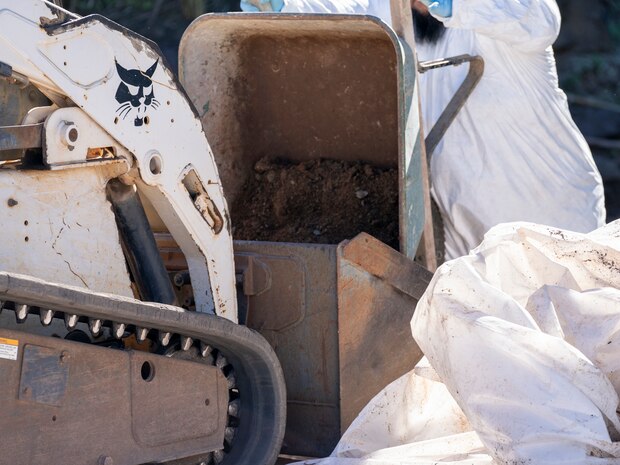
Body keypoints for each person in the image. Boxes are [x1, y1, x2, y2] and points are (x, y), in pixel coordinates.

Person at [240, 0, 606, 260]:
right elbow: (346, 15)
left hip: (556, 228)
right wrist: (280, 5)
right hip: (469, 238)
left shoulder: (497, 17)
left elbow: (540, 18)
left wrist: (450, 3)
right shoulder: (397, 18)